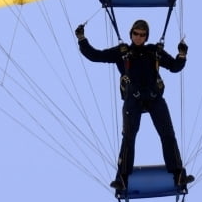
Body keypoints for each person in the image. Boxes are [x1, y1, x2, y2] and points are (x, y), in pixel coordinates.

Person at [75, 19, 192, 189]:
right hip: (133, 100)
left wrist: (182, 55)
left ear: (146, 37)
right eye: (136, 34)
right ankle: (122, 178)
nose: (139, 37)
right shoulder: (122, 52)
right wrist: (82, 39)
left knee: (167, 133)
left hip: (154, 98)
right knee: (128, 138)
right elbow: (95, 55)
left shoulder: (154, 52)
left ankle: (178, 174)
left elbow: (174, 67)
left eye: (142, 35)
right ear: (131, 34)